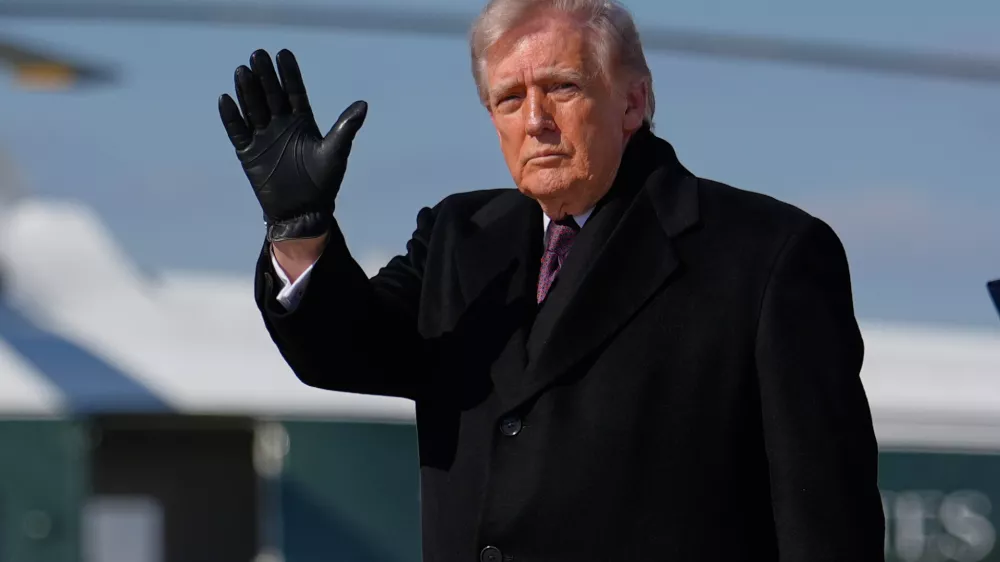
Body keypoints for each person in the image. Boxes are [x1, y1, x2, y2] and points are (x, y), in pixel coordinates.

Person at [218, 1, 885, 560]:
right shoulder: (461, 233)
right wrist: (299, 229)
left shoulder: (766, 254)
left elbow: (825, 523)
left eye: (561, 87)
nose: (534, 119)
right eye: (509, 98)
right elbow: (347, 350)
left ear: (633, 102)